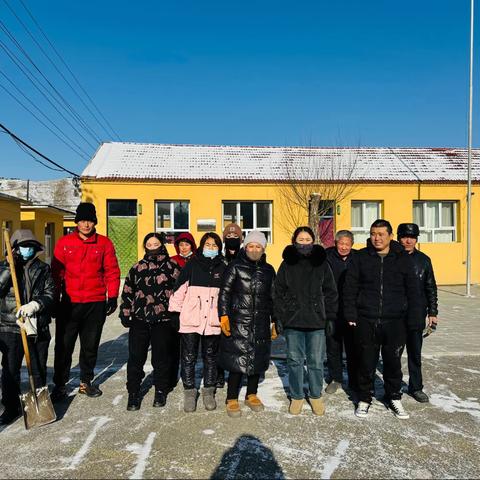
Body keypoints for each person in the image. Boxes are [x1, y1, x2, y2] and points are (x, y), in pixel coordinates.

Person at [343, 219, 422, 419]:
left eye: (381, 234)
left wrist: (414, 319)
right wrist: (351, 313)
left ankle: (393, 396)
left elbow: (413, 291)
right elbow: (350, 288)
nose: (376, 238)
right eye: (373, 234)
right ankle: (364, 398)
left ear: (390, 236)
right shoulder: (361, 257)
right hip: (366, 319)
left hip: (395, 321)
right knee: (366, 361)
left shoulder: (403, 258)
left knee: (393, 361)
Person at [51, 202, 120, 400]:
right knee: (64, 347)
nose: (86, 225)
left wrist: (113, 296)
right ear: (77, 222)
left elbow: (112, 271)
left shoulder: (104, 243)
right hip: (69, 303)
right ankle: (60, 385)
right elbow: (56, 274)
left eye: (89, 221)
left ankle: (85, 382)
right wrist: (55, 299)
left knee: (90, 346)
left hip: (95, 302)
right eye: (82, 220)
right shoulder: (65, 243)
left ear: (94, 222)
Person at [274, 227, 338, 415]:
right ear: (295, 241)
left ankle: (315, 395)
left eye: (307, 239)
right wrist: (278, 316)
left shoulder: (322, 263)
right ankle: (296, 396)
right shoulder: (287, 264)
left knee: (316, 361)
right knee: (294, 360)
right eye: (300, 239)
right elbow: (278, 292)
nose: (304, 242)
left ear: (313, 240)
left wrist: (330, 317)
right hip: (293, 321)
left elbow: (331, 292)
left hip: (317, 321)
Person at [119, 233, 181, 411]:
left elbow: (181, 292)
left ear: (162, 245)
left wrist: (178, 315)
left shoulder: (173, 267)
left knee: (161, 357)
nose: (152, 246)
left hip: (164, 320)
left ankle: (161, 390)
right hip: (140, 318)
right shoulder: (137, 267)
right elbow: (128, 291)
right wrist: (125, 312)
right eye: (149, 244)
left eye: (156, 243)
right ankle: (133, 392)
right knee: (136, 357)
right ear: (145, 246)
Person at [218, 230, 276, 418]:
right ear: (245, 246)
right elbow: (224, 292)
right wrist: (224, 316)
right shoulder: (235, 266)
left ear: (263, 248)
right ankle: (232, 397)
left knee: (256, 361)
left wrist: (276, 321)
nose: (254, 249)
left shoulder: (268, 270)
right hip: (238, 322)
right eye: (251, 245)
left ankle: (252, 394)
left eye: (258, 246)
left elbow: (273, 297)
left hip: (260, 322)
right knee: (237, 361)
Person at [0, 229, 55, 425]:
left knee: (38, 367)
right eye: (23, 246)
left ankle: (40, 403)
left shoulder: (43, 268)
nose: (27, 250)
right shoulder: (4, 267)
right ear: (14, 248)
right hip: (10, 326)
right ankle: (10, 407)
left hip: (36, 325)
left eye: (30, 246)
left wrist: (36, 304)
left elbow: (50, 293)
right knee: (9, 370)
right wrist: (9, 266)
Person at [168, 232, 226, 413]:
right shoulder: (192, 264)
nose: (211, 248)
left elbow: (227, 295)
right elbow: (179, 290)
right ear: (201, 246)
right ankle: (189, 391)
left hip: (213, 320)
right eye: (207, 244)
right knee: (188, 357)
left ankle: (209, 391)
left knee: (211, 357)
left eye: (214, 245)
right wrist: (175, 313)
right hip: (191, 319)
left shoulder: (223, 267)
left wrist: (226, 316)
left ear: (219, 248)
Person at [397, 223, 438, 403]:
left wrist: (433, 312)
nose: (408, 240)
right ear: (398, 238)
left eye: (412, 237)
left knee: (415, 354)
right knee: (393, 354)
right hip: (395, 315)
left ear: (416, 239)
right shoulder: (392, 258)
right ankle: (393, 386)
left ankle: (416, 387)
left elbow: (430, 287)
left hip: (416, 313)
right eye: (404, 236)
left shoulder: (424, 260)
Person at [325, 230, 357, 394]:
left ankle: (354, 380)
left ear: (352, 245)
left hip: (352, 311)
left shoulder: (358, 258)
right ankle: (335, 378)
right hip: (332, 310)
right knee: (333, 346)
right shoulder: (326, 257)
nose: (344, 247)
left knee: (353, 347)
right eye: (341, 243)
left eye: (347, 244)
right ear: (335, 243)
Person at [215, 223, 243, 389]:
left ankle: (237, 371)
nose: (232, 240)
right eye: (229, 237)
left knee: (237, 342)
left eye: (235, 238)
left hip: (239, 307)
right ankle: (219, 373)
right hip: (220, 305)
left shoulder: (244, 257)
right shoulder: (219, 258)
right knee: (220, 342)